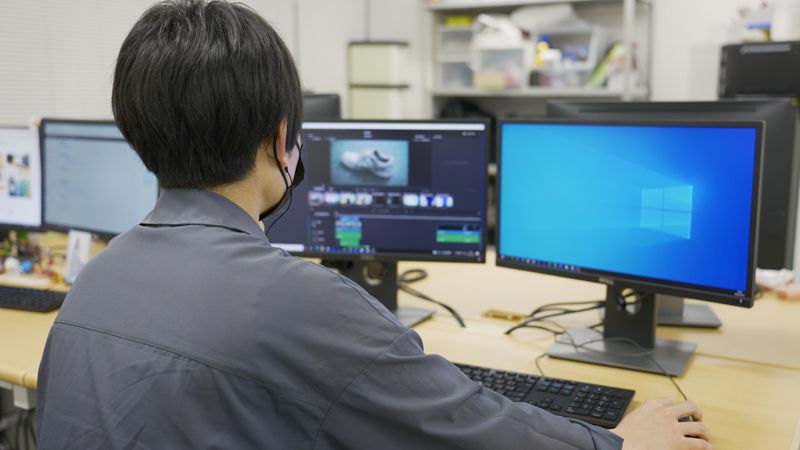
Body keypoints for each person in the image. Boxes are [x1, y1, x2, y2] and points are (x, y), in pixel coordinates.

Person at [36, 1, 713, 449]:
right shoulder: (298, 301)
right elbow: (472, 428)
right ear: (282, 140)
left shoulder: (95, 280)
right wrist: (618, 443)